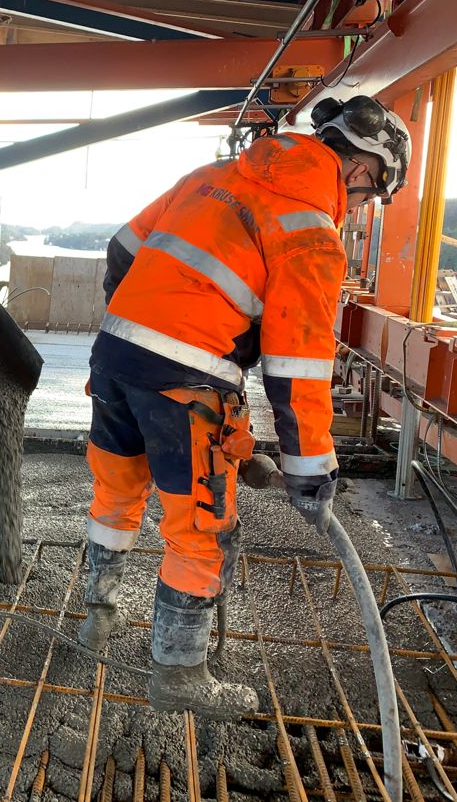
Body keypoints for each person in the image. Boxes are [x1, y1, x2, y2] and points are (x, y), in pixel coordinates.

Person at [79, 95, 410, 719]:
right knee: (202, 532)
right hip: (188, 379)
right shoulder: (311, 230)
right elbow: (299, 364)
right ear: (363, 170)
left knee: (117, 491)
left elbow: (122, 248)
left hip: (115, 355)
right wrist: (310, 469)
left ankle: (94, 622)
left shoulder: (210, 178)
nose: (359, 209)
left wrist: (138, 327)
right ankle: (179, 680)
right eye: (368, 198)